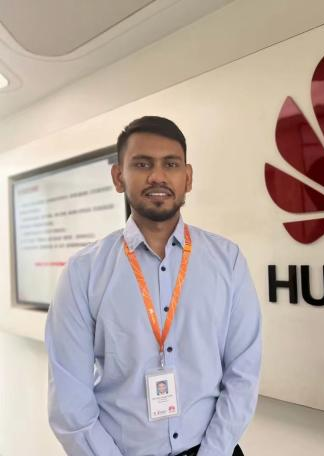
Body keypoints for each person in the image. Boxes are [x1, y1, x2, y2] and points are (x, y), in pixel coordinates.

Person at [45, 116, 262, 456]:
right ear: (119, 177)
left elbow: (243, 373)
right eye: (142, 164)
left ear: (188, 178)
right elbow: (70, 401)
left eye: (170, 164)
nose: (158, 176)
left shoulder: (227, 260)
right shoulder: (83, 272)